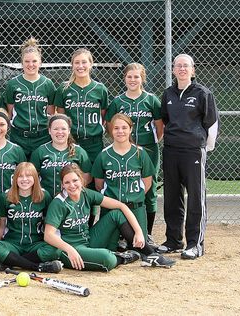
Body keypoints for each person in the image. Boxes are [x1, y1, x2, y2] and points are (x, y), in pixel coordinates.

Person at [44, 164, 175, 271]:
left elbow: (121, 206)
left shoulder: (85, 193)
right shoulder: (59, 203)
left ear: (81, 180)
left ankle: (151, 254)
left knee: (116, 214)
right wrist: (69, 249)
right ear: (62, 185)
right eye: (67, 182)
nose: (72, 185)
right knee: (108, 259)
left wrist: (139, 232)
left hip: (89, 240)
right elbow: (48, 235)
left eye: (75, 180)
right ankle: (124, 258)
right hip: (71, 249)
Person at [157, 54, 219, 260]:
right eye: (178, 66)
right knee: (172, 197)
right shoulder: (168, 94)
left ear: (193, 70)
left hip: (193, 151)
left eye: (186, 66)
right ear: (173, 70)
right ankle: (173, 240)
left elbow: (211, 123)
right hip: (171, 150)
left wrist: (205, 147)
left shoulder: (202, 93)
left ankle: (195, 244)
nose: (182, 69)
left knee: (195, 197)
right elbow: (165, 121)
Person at [105, 63, 163, 242]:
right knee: (123, 188)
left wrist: (148, 143)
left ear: (142, 78)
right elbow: (110, 126)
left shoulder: (151, 99)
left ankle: (148, 233)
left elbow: (160, 128)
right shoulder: (117, 101)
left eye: (136, 76)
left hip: (148, 149)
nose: (132, 80)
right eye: (129, 76)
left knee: (148, 190)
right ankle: (123, 232)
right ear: (124, 78)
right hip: (124, 149)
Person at [0, 162, 62, 273]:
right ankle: (38, 267)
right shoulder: (5, 196)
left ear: (35, 178)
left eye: (28, 176)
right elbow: (1, 227)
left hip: (36, 245)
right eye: (20, 176)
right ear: (15, 178)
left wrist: (3, 257)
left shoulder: (44, 196)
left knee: (56, 250)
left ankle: (8, 263)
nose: (24, 179)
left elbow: (48, 225)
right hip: (13, 244)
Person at [92, 113, 155, 238]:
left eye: (124, 127)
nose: (120, 131)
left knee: (139, 245)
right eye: (116, 128)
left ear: (130, 129)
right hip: (111, 209)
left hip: (135, 208)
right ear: (111, 130)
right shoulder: (103, 155)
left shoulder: (140, 154)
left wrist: (135, 196)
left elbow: (147, 183)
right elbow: (99, 185)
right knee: (112, 247)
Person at [53, 48, 109, 164]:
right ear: (72, 65)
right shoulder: (63, 89)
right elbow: (60, 117)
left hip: (94, 142)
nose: (80, 66)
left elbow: (103, 116)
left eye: (84, 62)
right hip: (71, 141)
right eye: (77, 62)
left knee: (93, 178)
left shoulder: (100, 89)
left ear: (90, 64)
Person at [5, 37, 56, 158]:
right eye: (27, 61)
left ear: (40, 62)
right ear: (22, 62)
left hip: (42, 136)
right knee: (20, 171)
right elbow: (10, 113)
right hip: (19, 136)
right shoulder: (13, 84)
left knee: (40, 172)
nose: (31, 65)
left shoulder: (48, 84)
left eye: (34, 61)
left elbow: (50, 113)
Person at [30, 113, 92, 197]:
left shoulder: (79, 152)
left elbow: (87, 178)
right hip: (46, 199)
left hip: (71, 199)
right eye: (55, 129)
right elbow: (32, 177)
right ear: (49, 130)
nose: (60, 132)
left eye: (63, 129)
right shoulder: (39, 152)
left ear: (69, 130)